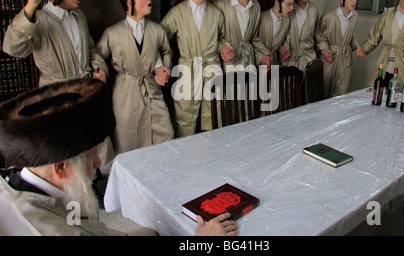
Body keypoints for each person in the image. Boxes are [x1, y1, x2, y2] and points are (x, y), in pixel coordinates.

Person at [0, 78, 238, 236]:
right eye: (92, 155)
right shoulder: (47, 229)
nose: (98, 163)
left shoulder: (27, 185)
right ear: (60, 168)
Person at [2, 0, 113, 165]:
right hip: (57, 102)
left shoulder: (79, 16)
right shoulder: (39, 20)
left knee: (99, 153)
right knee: (70, 158)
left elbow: (91, 49)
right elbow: (12, 48)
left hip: (86, 94)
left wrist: (100, 70)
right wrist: (29, 9)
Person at [97, 0, 174, 154]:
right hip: (125, 93)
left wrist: (163, 67)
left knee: (166, 135)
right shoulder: (112, 33)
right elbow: (98, 56)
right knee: (127, 143)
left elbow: (167, 51)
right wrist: (100, 70)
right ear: (130, 2)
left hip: (152, 90)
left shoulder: (157, 30)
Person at [160, 0, 232, 137]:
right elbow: (159, 39)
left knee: (213, 117)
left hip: (212, 68)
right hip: (187, 68)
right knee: (184, 119)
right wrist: (160, 63)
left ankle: (211, 156)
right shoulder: (177, 12)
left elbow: (221, 38)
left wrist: (223, 48)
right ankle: (184, 159)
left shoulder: (216, 13)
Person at [214, 0, 271, 72]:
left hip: (248, 64)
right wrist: (222, 49)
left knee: (248, 91)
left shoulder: (255, 7)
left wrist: (263, 56)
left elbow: (254, 39)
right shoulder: (220, 6)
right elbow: (212, 39)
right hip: (228, 65)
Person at [315, 0, 363, 98]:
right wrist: (325, 50)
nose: (354, 1)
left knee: (342, 91)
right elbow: (320, 36)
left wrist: (357, 47)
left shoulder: (355, 17)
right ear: (342, 0)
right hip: (330, 56)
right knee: (324, 89)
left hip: (345, 57)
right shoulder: (328, 17)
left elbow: (351, 35)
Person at [282, 0, 320, 71]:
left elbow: (318, 35)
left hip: (309, 60)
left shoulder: (313, 9)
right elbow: (282, 34)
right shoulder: (288, 10)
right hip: (290, 60)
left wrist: (324, 49)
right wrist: (284, 48)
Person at [257, 0, 295, 66]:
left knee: (274, 80)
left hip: (275, 62)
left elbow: (284, 40)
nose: (292, 8)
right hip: (260, 62)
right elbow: (254, 42)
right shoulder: (261, 18)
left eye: (292, 4)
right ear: (277, 3)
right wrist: (262, 57)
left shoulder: (286, 20)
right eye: (288, 4)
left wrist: (283, 48)